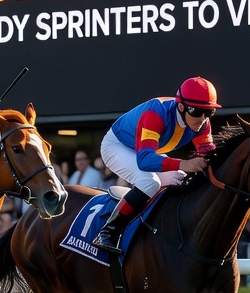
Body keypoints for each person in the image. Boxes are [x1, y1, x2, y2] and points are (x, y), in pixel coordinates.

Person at [92, 77, 218, 252]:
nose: (203, 119)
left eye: (209, 112)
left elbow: (209, 155)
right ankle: (109, 232)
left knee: (181, 179)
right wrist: (184, 164)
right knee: (149, 182)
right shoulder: (156, 114)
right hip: (118, 146)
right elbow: (145, 160)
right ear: (181, 107)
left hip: (146, 150)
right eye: (197, 111)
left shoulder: (202, 124)